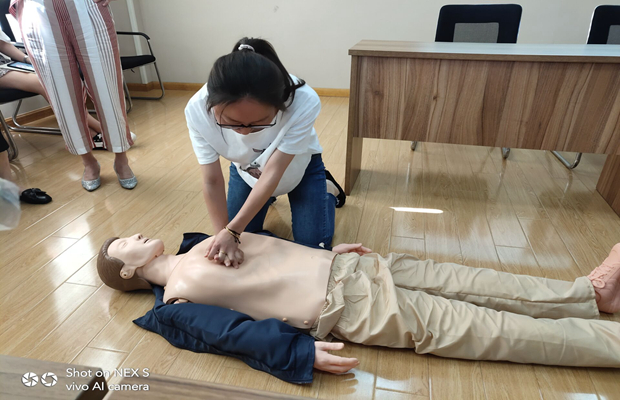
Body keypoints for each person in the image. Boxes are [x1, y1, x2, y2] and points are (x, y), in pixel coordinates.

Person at [97, 232, 620, 372]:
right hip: (349, 309)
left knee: (478, 281)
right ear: (127, 270)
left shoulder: (197, 241)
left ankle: (590, 294)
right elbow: (230, 334)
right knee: (488, 328)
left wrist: (326, 251)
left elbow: (270, 253)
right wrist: (298, 352)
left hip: (355, 266)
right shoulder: (173, 303)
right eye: (123, 242)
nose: (134, 234)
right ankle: (608, 342)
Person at [185, 37, 346, 268]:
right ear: (212, 105)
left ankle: (327, 190)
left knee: (311, 249)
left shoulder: (303, 99)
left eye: (258, 124)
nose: (244, 131)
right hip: (246, 170)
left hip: (299, 168)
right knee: (243, 240)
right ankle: (265, 198)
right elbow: (211, 180)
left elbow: (274, 170)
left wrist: (233, 230)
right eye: (232, 123)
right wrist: (225, 234)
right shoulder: (197, 109)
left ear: (280, 105)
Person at [10, 0, 137, 192]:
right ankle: (89, 162)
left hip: (87, 6)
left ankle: (121, 160)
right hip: (37, 11)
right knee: (63, 97)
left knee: (108, 88)